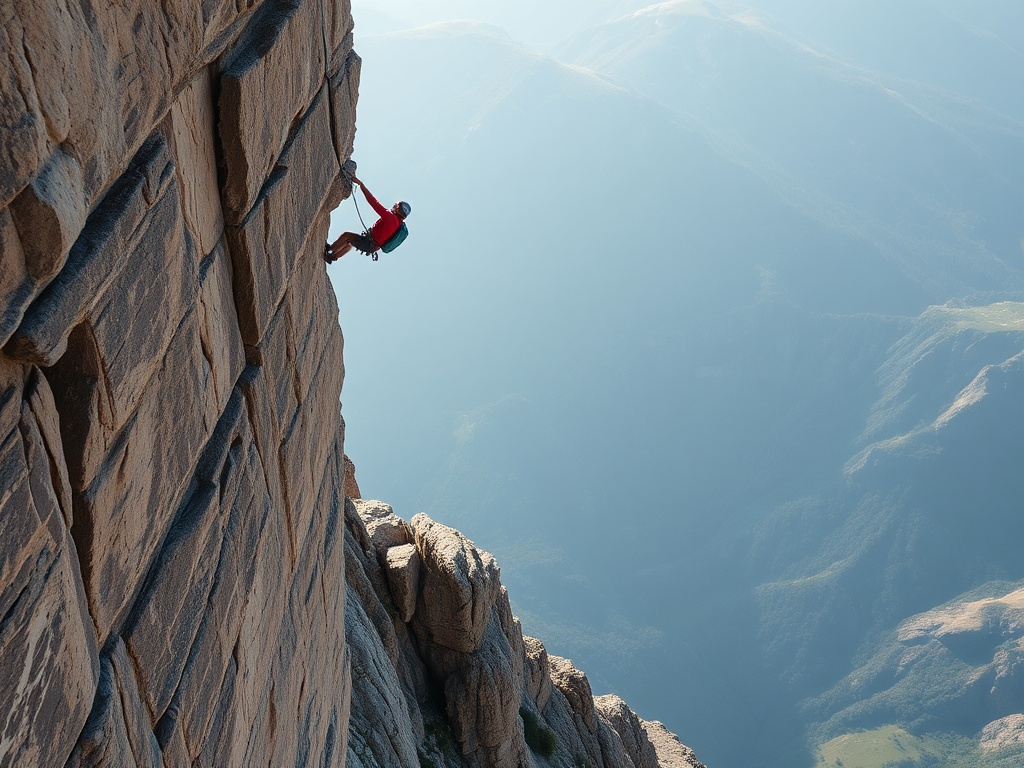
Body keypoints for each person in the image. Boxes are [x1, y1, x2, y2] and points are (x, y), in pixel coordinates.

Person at [324, 175, 411, 262]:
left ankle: (330, 250)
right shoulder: (397, 224)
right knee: (349, 242)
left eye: (396, 206)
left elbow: (373, 202)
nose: (393, 207)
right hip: (372, 245)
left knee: (347, 236)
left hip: (369, 242)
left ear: (398, 209)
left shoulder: (391, 218)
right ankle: (333, 256)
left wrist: (361, 184)